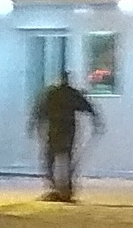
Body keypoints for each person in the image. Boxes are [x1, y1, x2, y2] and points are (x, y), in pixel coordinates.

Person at [30, 70, 98, 201]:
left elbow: (40, 110)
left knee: (50, 158)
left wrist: (34, 124)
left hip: (55, 129)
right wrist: (96, 122)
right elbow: (88, 107)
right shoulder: (71, 93)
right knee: (66, 158)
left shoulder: (52, 93)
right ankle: (66, 187)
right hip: (67, 130)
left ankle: (54, 186)